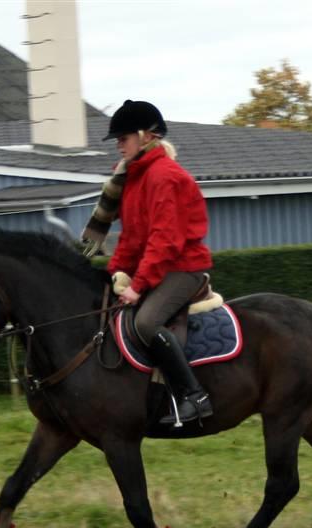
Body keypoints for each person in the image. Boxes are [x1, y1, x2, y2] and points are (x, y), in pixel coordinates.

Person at [83, 99, 214, 426]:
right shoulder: (136, 178)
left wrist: (138, 287)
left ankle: (193, 396)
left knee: (145, 323)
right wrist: (112, 274)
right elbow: (130, 238)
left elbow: (165, 241)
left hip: (183, 269)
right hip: (160, 268)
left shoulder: (164, 177)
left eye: (123, 138)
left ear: (145, 137)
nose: (118, 145)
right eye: (117, 140)